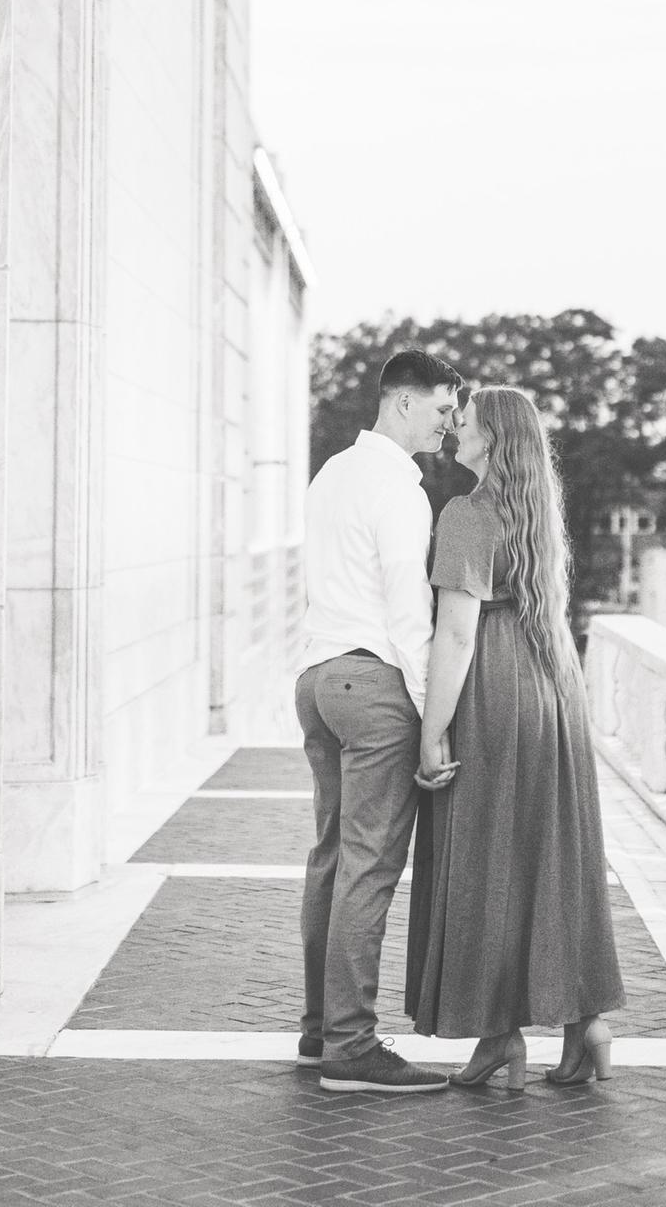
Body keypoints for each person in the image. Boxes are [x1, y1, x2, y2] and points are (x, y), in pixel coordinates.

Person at [405, 385, 625, 1090]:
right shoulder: (537, 512)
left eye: (463, 424)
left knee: (487, 858)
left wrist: (431, 732)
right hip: (552, 687)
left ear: (492, 439)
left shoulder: (467, 514)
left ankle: (499, 1035)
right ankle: (584, 1023)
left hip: (496, 692)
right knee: (555, 852)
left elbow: (459, 631)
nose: (453, 433)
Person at [295, 349, 464, 1094]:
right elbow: (410, 613)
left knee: (333, 858)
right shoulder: (401, 488)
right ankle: (351, 1047)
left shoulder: (333, 471)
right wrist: (434, 723)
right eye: (440, 409)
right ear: (400, 403)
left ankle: (319, 1030)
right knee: (369, 866)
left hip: (318, 677)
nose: (450, 423)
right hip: (372, 683)